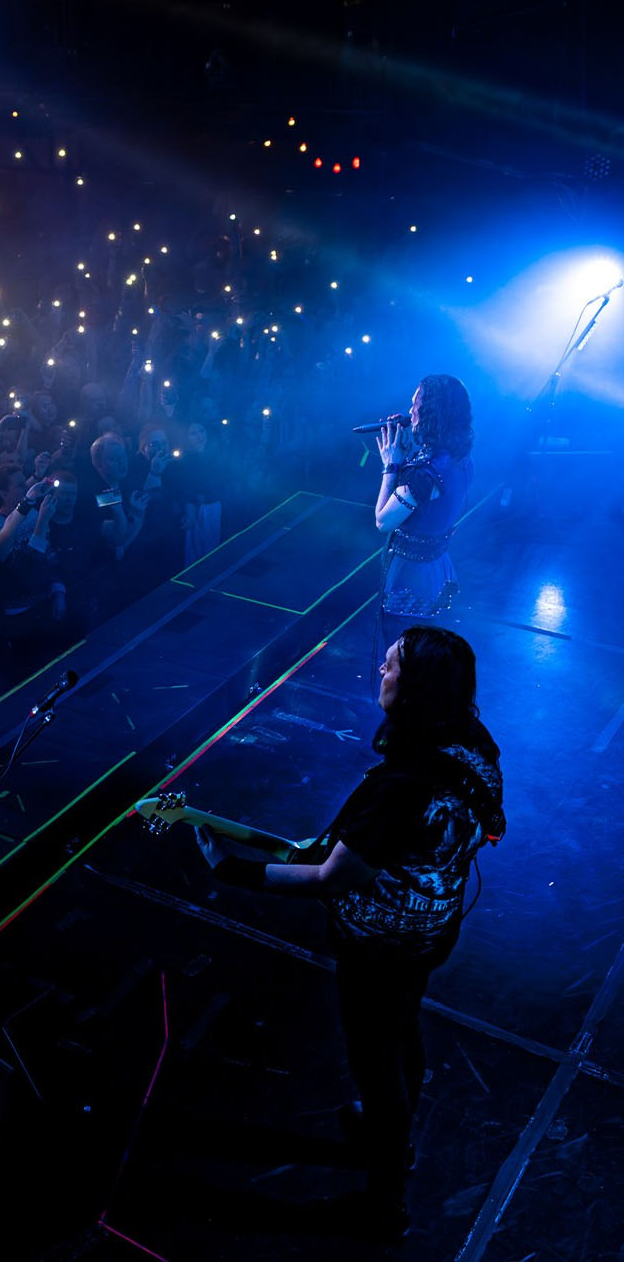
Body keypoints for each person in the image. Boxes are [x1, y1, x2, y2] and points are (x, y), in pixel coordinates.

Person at [194, 626, 504, 1240]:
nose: (379, 673)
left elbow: (332, 879)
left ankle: (385, 1199)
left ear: (414, 687)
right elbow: (486, 827)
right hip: (432, 932)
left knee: (375, 1060)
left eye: (390, 667)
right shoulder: (475, 746)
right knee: (402, 1030)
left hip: (378, 946)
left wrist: (233, 869)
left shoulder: (398, 786)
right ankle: (396, 1128)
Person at [374, 375, 474, 623]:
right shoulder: (459, 458)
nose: (409, 411)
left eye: (414, 405)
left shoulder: (423, 474)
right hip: (436, 567)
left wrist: (391, 466)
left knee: (403, 650)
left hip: (410, 577)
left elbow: (383, 521)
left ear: (429, 412)